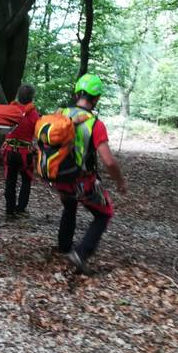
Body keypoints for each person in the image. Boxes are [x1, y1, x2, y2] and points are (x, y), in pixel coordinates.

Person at [53, 74, 127, 275]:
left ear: (77, 93)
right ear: (96, 98)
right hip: (81, 181)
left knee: (69, 205)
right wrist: (120, 181)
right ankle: (81, 253)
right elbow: (109, 161)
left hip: (58, 177)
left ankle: (64, 246)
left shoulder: (59, 114)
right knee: (104, 213)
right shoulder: (95, 124)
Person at [1, 84, 40, 219]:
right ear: (31, 98)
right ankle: (21, 209)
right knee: (26, 180)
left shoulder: (10, 110)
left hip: (9, 151)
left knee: (10, 181)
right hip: (24, 153)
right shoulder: (33, 114)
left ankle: (9, 211)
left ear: (18, 95)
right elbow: (39, 132)